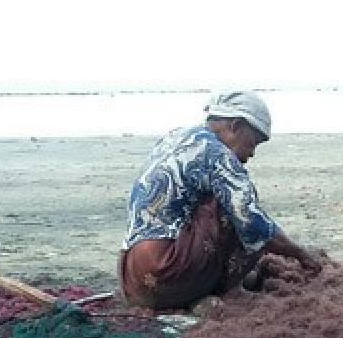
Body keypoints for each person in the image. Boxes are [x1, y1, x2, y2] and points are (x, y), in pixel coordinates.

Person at [120, 90, 324, 311]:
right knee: (236, 206)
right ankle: (230, 289)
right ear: (235, 125)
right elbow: (253, 222)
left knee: (219, 199)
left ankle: (198, 287)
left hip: (131, 277)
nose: (251, 154)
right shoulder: (217, 155)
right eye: (252, 143)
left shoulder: (176, 136)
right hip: (165, 275)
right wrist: (301, 255)